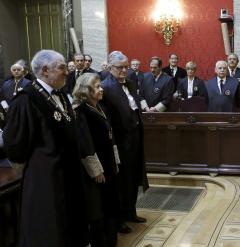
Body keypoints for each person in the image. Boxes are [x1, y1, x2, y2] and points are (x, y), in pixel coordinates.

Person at [3, 49, 87, 246]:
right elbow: (14, 143)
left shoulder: (62, 96)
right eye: (62, 68)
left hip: (68, 176)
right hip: (45, 180)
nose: (67, 71)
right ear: (46, 70)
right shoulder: (26, 99)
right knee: (49, 229)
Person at [101, 51, 148, 234]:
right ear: (111, 67)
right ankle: (119, 219)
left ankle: (131, 212)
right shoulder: (106, 87)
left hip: (135, 137)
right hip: (120, 141)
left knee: (133, 177)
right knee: (121, 181)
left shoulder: (130, 82)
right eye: (120, 67)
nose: (124, 70)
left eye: (126, 67)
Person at [73, 73, 120, 246]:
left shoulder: (100, 107)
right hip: (96, 171)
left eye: (101, 86)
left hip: (108, 164)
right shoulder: (80, 111)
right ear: (86, 90)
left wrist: (115, 161)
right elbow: (84, 143)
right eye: (97, 87)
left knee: (109, 205)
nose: (101, 90)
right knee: (97, 209)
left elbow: (110, 135)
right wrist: (96, 170)